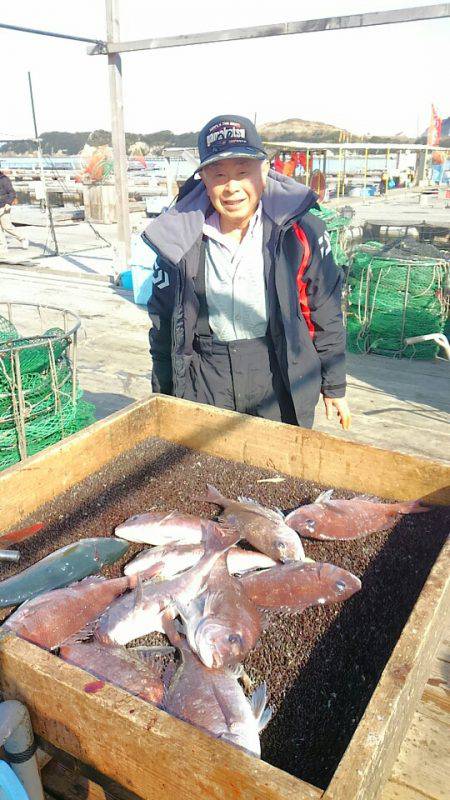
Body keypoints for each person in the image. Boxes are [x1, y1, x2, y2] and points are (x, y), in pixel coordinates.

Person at [143, 114, 350, 431]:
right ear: (204, 179)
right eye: (219, 174)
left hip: (278, 369)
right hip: (206, 375)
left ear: (265, 171)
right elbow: (163, 319)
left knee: (277, 470)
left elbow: (324, 308)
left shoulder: (301, 231)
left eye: (243, 172)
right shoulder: (177, 238)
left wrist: (333, 385)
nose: (232, 187)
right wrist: (163, 389)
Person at [0, 170, 29, 257]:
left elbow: (12, 193)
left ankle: (23, 238)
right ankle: (3, 248)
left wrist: (8, 203)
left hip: (3, 205)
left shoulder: (4, 179)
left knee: (6, 226)